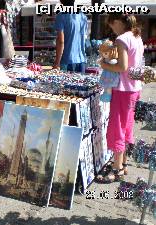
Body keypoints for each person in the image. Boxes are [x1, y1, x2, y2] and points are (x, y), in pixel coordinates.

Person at [97, 14, 143, 183]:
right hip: (134, 88)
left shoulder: (122, 38)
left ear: (117, 22)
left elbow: (121, 67)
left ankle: (116, 169)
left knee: (117, 127)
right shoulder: (136, 37)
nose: (112, 29)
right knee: (126, 126)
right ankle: (122, 163)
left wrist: (104, 64)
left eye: (112, 25)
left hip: (123, 90)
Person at [53, 0, 87, 73]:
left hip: (67, 60)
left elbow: (61, 41)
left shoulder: (61, 16)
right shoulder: (82, 15)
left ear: (61, 1)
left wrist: (57, 62)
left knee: (65, 84)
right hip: (81, 59)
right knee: (81, 83)